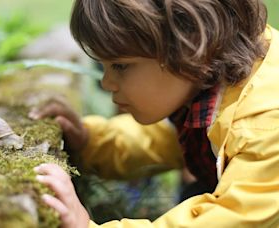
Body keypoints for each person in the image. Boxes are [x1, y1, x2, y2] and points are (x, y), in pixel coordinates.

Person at [28, 0, 279, 227]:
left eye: (120, 65)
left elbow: (231, 216)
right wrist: (90, 141)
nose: (106, 83)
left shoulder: (264, 124)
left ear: (190, 44)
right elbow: (166, 137)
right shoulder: (219, 75)